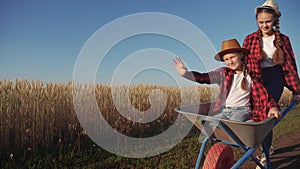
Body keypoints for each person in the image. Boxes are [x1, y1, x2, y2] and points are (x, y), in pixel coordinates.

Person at [242, 0, 300, 168]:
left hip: (275, 77)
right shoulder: (250, 39)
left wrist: (296, 90)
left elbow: (290, 66)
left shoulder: (284, 40)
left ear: (275, 20)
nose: (264, 25)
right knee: (256, 111)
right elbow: (244, 62)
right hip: (256, 77)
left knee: (268, 112)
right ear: (257, 21)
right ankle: (264, 145)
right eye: (261, 22)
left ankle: (265, 154)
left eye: (268, 21)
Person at [173, 39, 281, 123]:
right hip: (224, 110)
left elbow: (264, 96)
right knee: (210, 124)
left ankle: (250, 124)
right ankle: (221, 148)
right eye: (226, 59)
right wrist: (186, 74)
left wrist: (273, 107)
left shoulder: (251, 76)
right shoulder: (223, 73)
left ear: (241, 55)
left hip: (242, 111)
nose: (230, 62)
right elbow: (205, 77)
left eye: (232, 57)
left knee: (235, 124)